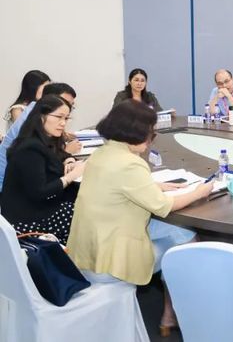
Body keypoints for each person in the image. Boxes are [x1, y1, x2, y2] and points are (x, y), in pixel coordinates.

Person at [68, 100, 212, 336]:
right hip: (111, 262)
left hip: (88, 250)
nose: (151, 139)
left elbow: (119, 187)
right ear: (136, 133)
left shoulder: (101, 154)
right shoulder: (130, 164)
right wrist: (200, 192)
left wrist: (154, 186)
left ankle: (170, 314)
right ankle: (178, 313)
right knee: (184, 244)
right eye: (151, 133)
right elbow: (164, 206)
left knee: (180, 233)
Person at [1, 95, 82, 242]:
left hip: (38, 209)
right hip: (26, 221)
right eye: (59, 117)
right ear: (41, 116)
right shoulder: (29, 149)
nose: (63, 123)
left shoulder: (45, 139)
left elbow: (60, 154)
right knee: (82, 216)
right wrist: (71, 176)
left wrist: (69, 160)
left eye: (66, 118)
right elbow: (40, 192)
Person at [0, 83, 80, 193]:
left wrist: (69, 160)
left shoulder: (44, 123)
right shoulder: (30, 139)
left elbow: (56, 152)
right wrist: (71, 173)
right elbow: (39, 190)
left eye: (70, 105)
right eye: (62, 102)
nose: (67, 107)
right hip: (9, 187)